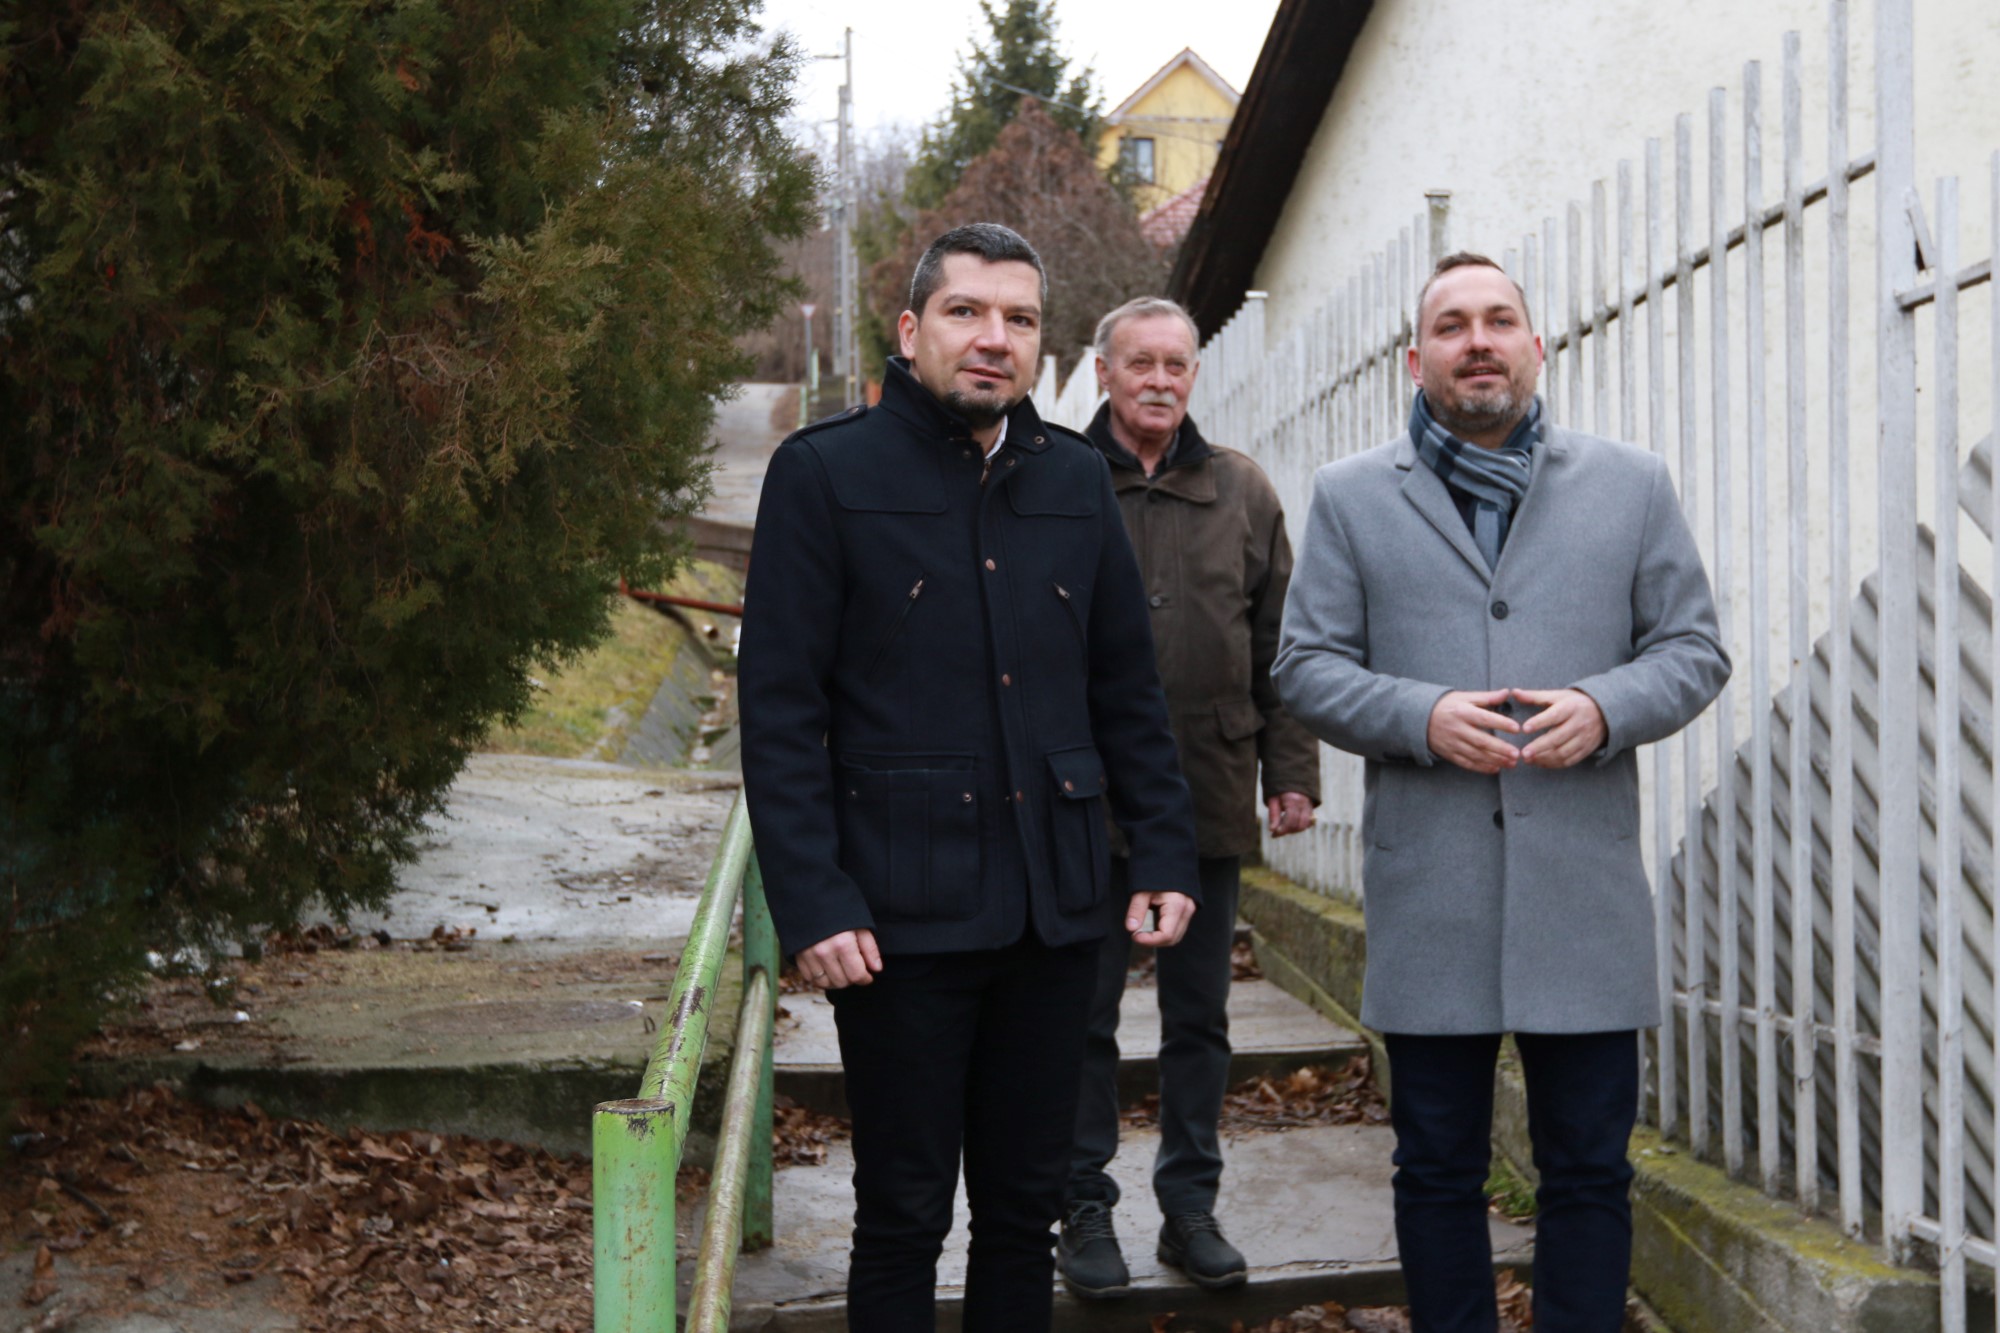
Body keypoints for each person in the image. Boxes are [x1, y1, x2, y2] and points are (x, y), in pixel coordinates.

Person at [737, 222, 1202, 1333]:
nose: (995, 338)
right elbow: (781, 709)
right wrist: (813, 898)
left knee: (1022, 1212)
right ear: (911, 330)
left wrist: (1164, 848)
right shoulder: (824, 474)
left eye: (1019, 318)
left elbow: (1125, 689)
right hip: (897, 922)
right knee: (902, 1215)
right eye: (966, 312)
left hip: (1054, 915)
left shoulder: (1075, 481)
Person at [1272, 253, 1729, 1332]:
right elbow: (1303, 666)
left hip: (1581, 891)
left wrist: (1604, 706)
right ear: (1415, 358)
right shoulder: (1349, 495)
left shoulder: (1631, 484)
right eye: (1451, 325)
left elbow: (1693, 649)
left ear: (1535, 344)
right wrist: (1420, 715)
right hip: (1431, 892)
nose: (1476, 340)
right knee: (1435, 1165)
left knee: (1589, 1167)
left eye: (1498, 320)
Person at [1058, 297, 1321, 1299]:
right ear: (1103, 371)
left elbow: (1278, 642)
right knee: (1081, 1016)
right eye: (1141, 363)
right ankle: (1082, 1205)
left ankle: (1189, 1206)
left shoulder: (1240, 490)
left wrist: (1289, 772)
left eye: (1176, 364)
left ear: (1194, 375)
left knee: (1198, 1018)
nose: (1160, 381)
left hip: (1207, 789)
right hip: (1084, 801)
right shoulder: (1059, 477)